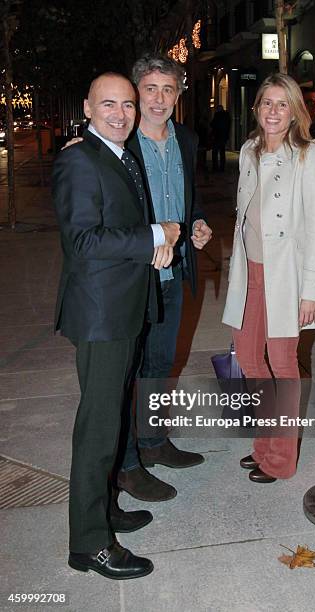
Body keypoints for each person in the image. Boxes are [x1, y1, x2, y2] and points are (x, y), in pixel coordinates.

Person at [53, 72, 180, 579]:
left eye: (128, 104)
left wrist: (158, 240)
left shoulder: (116, 153)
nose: (121, 113)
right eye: (109, 104)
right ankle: (87, 544)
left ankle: (103, 513)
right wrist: (154, 232)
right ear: (88, 106)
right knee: (99, 429)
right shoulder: (79, 158)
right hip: (102, 315)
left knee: (110, 420)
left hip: (121, 309)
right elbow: (83, 242)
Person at [222, 73, 315, 483]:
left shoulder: (308, 155)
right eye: (267, 102)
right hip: (248, 271)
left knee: (282, 364)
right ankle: (264, 445)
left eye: (282, 104)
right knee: (249, 360)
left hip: (286, 275)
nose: (273, 111)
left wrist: (311, 288)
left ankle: (280, 460)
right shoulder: (249, 150)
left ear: (295, 111)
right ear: (256, 108)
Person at [117, 55, 213, 502]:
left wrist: (197, 223)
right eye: (150, 89)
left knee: (160, 364)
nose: (159, 99)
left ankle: (153, 442)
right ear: (137, 92)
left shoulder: (186, 140)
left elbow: (186, 198)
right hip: (133, 277)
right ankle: (126, 463)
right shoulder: (119, 143)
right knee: (127, 370)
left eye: (168, 90)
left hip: (174, 274)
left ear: (178, 95)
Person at [210, 104, 231, 172]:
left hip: (217, 136)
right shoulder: (226, 116)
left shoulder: (217, 115)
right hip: (223, 136)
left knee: (215, 152)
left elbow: (213, 124)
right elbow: (228, 126)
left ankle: (215, 167)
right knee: (222, 152)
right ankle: (222, 167)